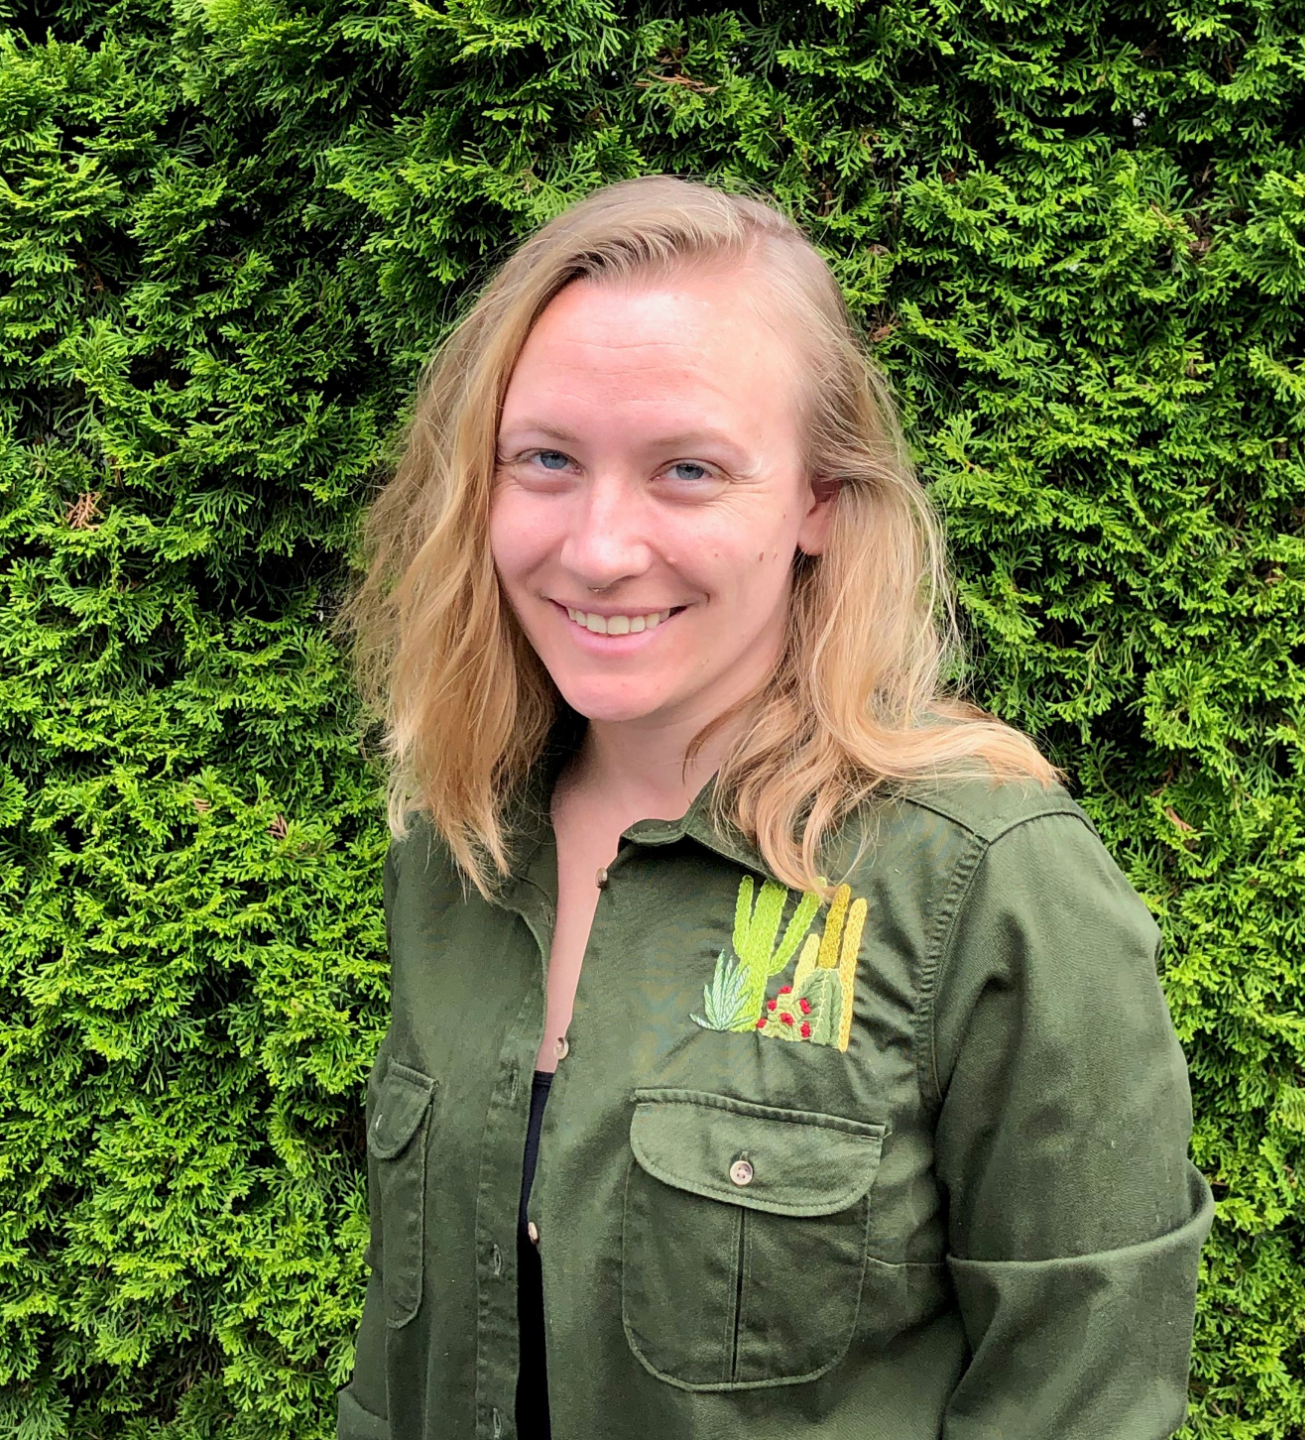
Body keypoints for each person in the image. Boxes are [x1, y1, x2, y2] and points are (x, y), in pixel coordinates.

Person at [333, 173, 1214, 1440]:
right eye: (547, 460)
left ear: (817, 499)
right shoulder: (460, 843)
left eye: (688, 469)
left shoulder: (983, 883)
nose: (599, 547)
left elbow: (1082, 1398)